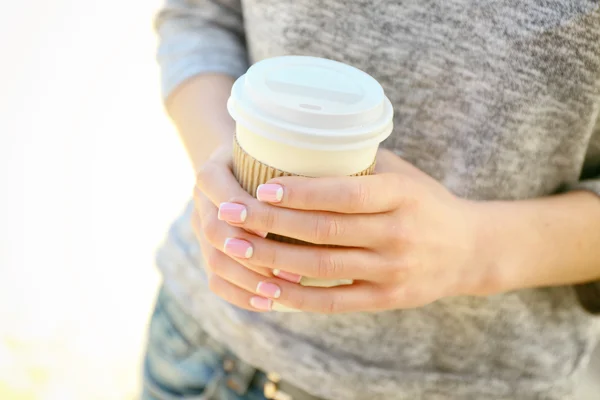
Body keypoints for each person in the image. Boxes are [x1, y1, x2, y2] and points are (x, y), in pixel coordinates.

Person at [142, 1, 600, 399]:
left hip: (474, 382)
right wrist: (227, 179)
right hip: (206, 351)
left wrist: (475, 249)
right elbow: (201, 16)